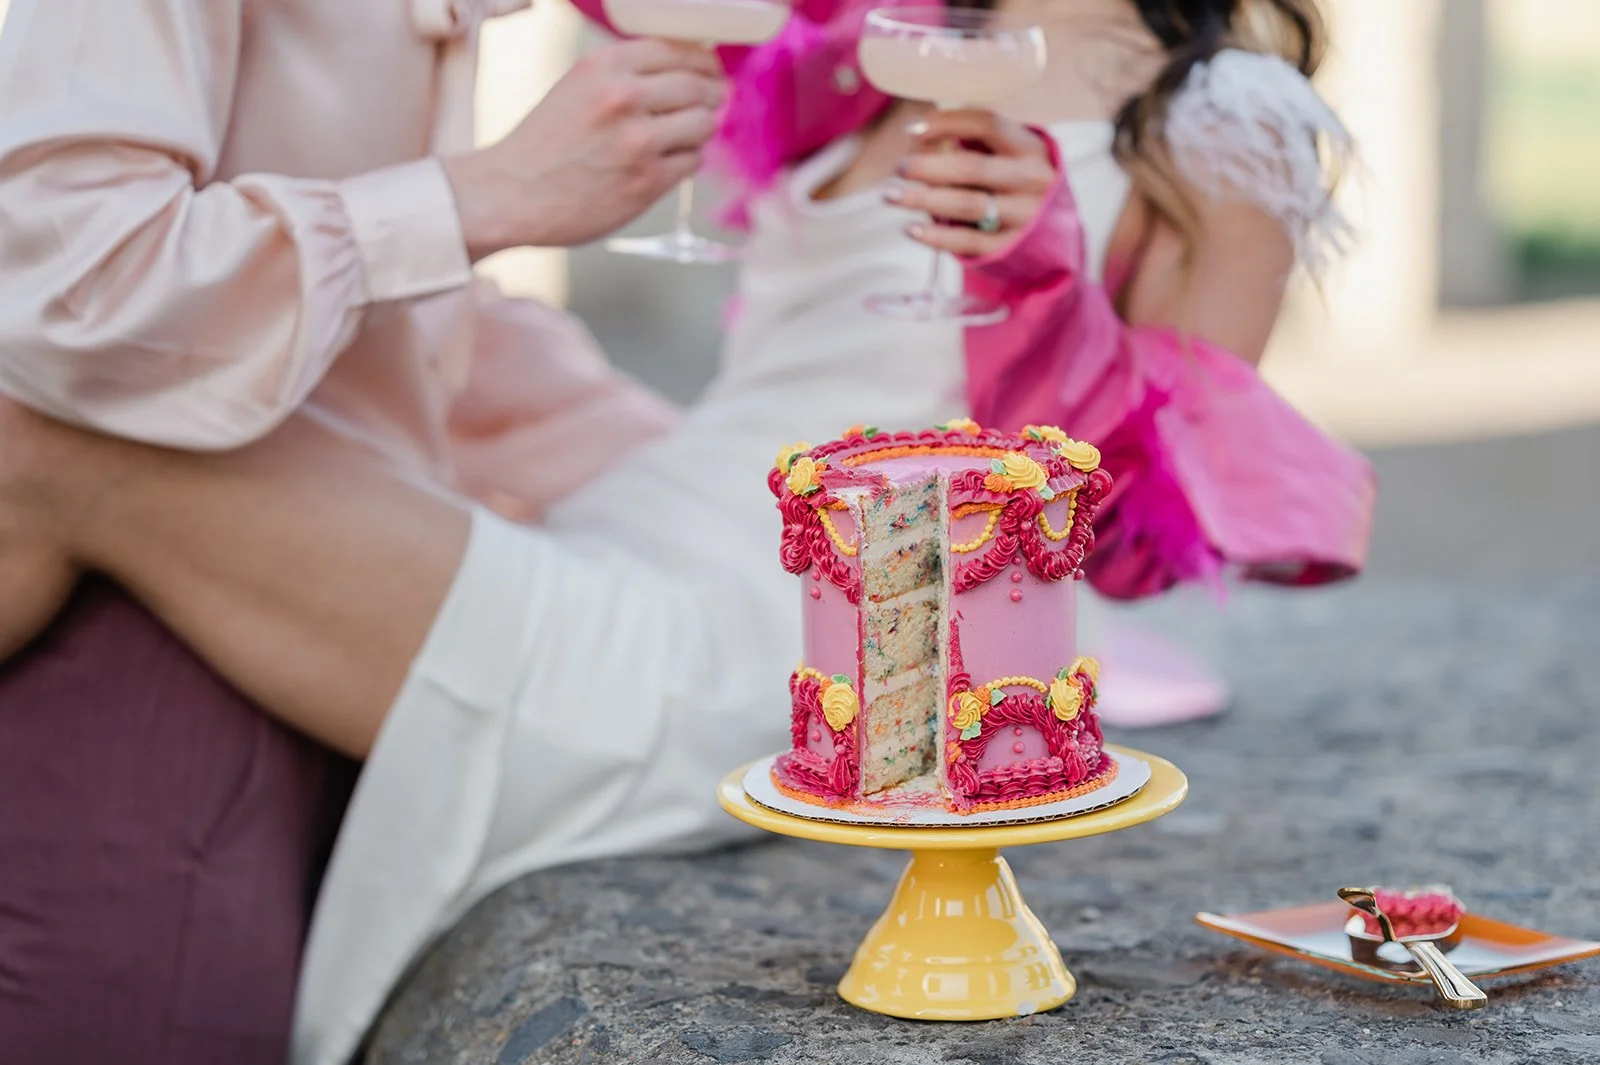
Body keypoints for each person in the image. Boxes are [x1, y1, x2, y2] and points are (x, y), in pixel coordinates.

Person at [0, 4, 1374, 1065]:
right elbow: (761, 393)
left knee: (49, 435)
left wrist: (1041, 284)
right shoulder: (875, 51)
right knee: (58, 406)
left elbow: (1140, 540)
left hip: (805, 634)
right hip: (635, 526)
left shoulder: (1219, 126)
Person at [574, 0, 1376, 727]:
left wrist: (1035, 279)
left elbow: (1163, 484)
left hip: (870, 617)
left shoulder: (1224, 113)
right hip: (663, 513)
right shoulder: (879, 35)